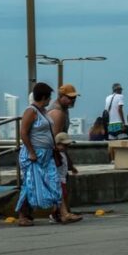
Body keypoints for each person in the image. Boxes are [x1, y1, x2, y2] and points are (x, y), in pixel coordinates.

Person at [15, 82, 81, 226]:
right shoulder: (31, 111)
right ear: (43, 97)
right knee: (30, 185)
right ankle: (22, 215)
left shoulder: (44, 112)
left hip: (47, 154)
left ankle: (64, 213)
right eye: (49, 97)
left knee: (55, 182)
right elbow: (23, 133)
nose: (50, 99)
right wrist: (31, 152)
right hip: (34, 154)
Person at [50, 132, 80, 224]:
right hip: (58, 178)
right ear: (57, 144)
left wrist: (72, 168)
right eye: (64, 145)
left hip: (63, 177)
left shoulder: (63, 153)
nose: (66, 148)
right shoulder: (55, 153)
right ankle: (59, 214)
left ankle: (60, 214)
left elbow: (68, 162)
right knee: (61, 196)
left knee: (63, 196)